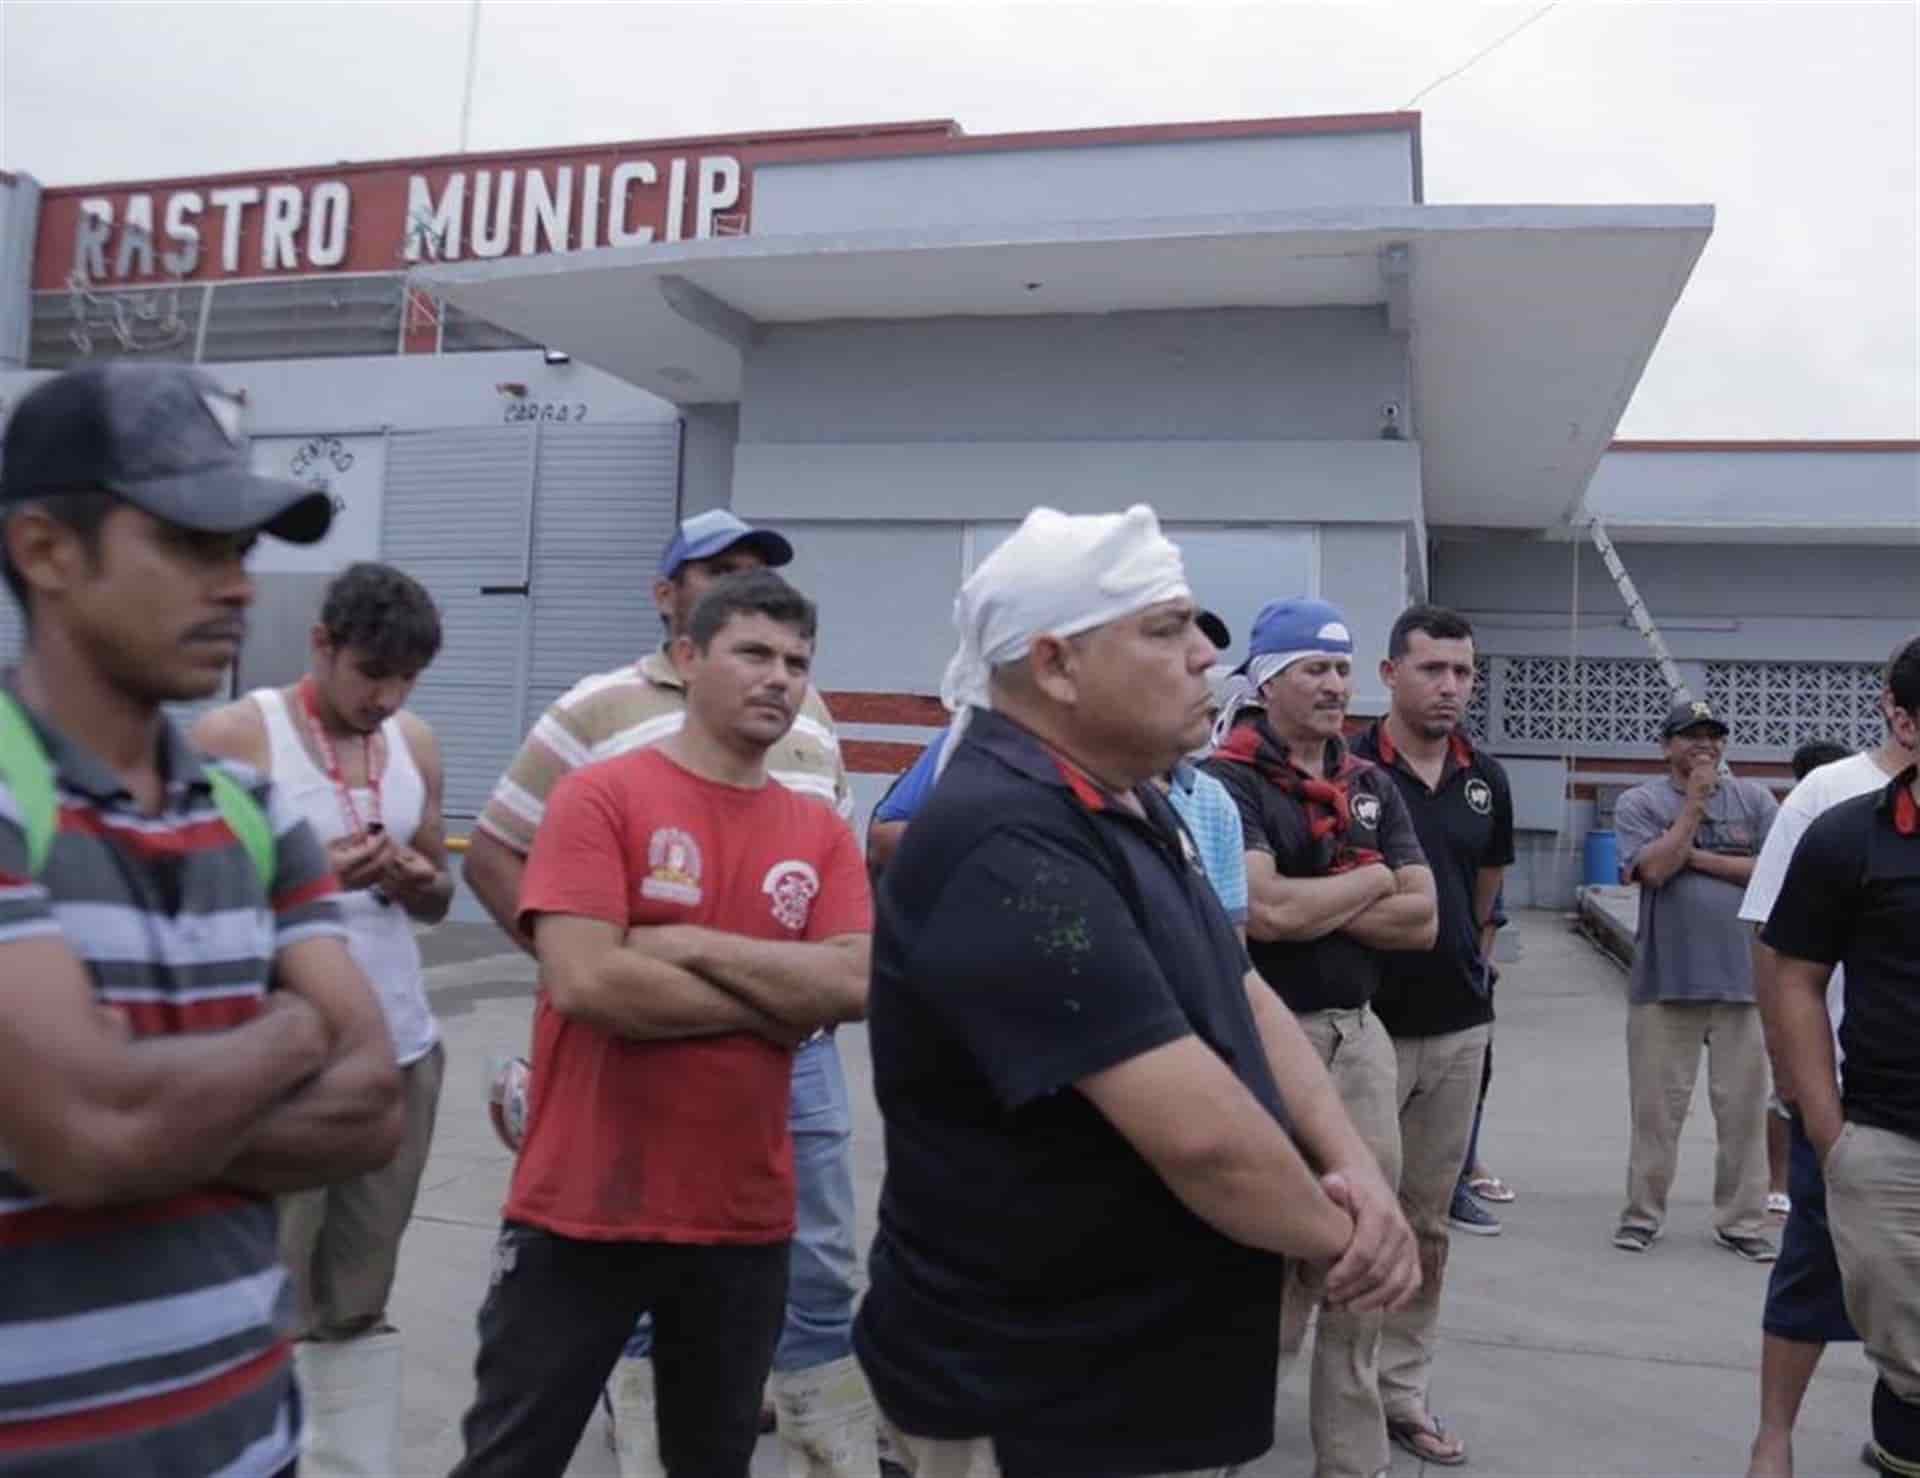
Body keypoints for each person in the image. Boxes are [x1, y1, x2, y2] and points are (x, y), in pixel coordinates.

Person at [856, 506, 1420, 1478]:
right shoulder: (1006, 842)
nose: (1205, 653)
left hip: (1131, 1380)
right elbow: (1200, 1136)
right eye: (1163, 628)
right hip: (1029, 1396)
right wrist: (1350, 1238)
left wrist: (1356, 1166)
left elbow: (1240, 989)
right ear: (1056, 664)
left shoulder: (1137, 800)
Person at [0, 364, 402, 1476]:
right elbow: (94, 1133)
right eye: (190, 543)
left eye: (242, 550)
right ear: (46, 550)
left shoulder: (253, 806)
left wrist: (126, 1114)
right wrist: (289, 1033)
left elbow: (372, 1105)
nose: (236, 586)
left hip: (246, 1442)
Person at [463, 510, 881, 1476]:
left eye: (796, 660)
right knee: (513, 1454)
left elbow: (857, 979)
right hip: (583, 1208)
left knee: (714, 1457)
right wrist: (781, 1007)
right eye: (753, 653)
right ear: (686, 657)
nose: (779, 677)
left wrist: (684, 944)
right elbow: (588, 980)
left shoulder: (814, 823)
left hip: (743, 1216)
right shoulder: (600, 790)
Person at [192, 560, 451, 1476]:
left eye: (405, 679)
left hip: (402, 1049)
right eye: (369, 674)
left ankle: (347, 1460)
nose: (385, 697)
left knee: (360, 1289)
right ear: (322, 646)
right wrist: (312, 882)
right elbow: (185, 904)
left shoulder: (414, 741)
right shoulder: (239, 736)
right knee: (261, 1281)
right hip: (281, 1055)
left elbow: (438, 890)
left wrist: (422, 882)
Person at [1205, 597, 1438, 1478]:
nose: (1337, 684)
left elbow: (1424, 921)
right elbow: (1262, 914)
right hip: (1270, 1037)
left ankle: (1353, 1460)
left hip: (1360, 1037)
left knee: (1365, 1252)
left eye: (1343, 668)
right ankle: (1227, 1441)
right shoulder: (1233, 784)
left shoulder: (1371, 785)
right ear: (1268, 683)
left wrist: (1331, 902)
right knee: (1262, 1246)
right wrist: (1372, 879)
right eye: (1316, 668)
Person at [1740, 647, 1920, 1478]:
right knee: (1821, 1280)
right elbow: (1783, 963)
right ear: (1904, 720)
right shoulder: (1839, 819)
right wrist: (1818, 1115)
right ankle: (1774, 1439)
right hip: (1870, 1120)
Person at [1352, 603, 1515, 1466]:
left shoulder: (1485, 778)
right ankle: (1298, 1391)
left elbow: (1485, 897)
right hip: (1356, 1029)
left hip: (1458, 1033)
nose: (1450, 686)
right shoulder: (1344, 773)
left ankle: (1400, 1394)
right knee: (1338, 1223)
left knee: (1425, 1227)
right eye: (1432, 670)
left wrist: (1473, 967)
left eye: (1462, 672)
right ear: (1390, 674)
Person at [1611, 697, 1780, 1261]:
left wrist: (1697, 858)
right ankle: (1642, 1216)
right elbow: (1652, 869)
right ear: (1667, 746)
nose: (1704, 745)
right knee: (1656, 1112)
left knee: (1743, 1115)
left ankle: (1741, 1222)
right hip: (1665, 984)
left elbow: (1776, 872)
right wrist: (1693, 809)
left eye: (1712, 736)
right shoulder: (1640, 802)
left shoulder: (1756, 800)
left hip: (1745, 985)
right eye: (1690, 736)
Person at [1761, 738, 1858, 1220]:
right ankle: (1777, 1186)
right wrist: (1784, 1056)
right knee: (1817, 1261)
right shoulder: (1823, 803)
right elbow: (1770, 935)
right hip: (1844, 1078)